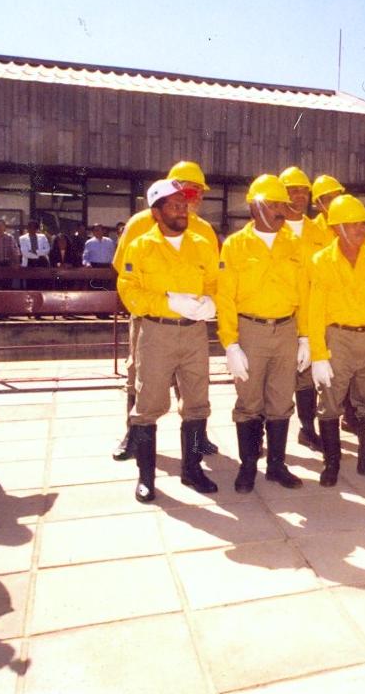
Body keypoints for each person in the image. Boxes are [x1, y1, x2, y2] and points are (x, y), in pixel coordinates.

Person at [116, 178, 220, 502]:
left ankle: (192, 469)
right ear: (157, 212)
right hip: (156, 333)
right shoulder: (140, 246)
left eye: (184, 205)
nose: (182, 210)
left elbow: (215, 283)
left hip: (194, 334)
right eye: (174, 206)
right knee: (147, 405)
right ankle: (146, 478)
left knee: (197, 402)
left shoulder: (201, 244)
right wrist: (169, 302)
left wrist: (211, 302)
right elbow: (129, 291)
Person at [216, 174, 308, 493]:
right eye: (273, 204)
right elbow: (225, 298)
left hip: (286, 329)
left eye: (282, 204)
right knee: (249, 401)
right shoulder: (236, 245)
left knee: (281, 400)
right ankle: (247, 467)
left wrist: (305, 337)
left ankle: (277, 466)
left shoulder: (294, 244)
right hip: (250, 330)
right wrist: (230, 344)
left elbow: (305, 294)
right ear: (255, 207)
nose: (281, 210)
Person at [306, 194, 365, 485]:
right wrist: (318, 355)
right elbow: (314, 312)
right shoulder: (322, 261)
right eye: (354, 224)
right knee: (330, 401)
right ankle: (331, 463)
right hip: (338, 338)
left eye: (363, 224)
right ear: (338, 228)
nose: (362, 229)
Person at [279, 166, 334, 452]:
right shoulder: (271, 230)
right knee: (269, 378)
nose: (299, 196)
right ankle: (259, 436)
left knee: (307, 377)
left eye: (303, 191)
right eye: (292, 190)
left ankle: (307, 429)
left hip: (313, 313)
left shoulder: (320, 232)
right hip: (280, 313)